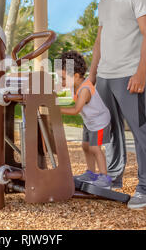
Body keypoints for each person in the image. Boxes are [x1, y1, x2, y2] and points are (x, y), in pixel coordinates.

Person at [89, 0, 146, 209]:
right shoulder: (103, 3)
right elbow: (100, 41)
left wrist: (141, 72)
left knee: (139, 130)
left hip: (129, 75)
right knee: (110, 130)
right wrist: (93, 75)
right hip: (105, 75)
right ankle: (114, 176)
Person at [59, 51, 113, 189]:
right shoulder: (75, 85)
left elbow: (76, 110)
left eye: (63, 78)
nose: (61, 81)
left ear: (76, 76)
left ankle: (104, 177)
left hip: (100, 122)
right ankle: (91, 173)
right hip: (90, 122)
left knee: (95, 148)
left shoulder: (84, 90)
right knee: (85, 146)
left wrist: (56, 109)